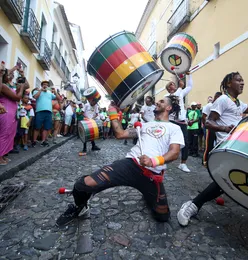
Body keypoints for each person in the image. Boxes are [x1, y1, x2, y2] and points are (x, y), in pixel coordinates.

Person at [56, 96, 184, 226]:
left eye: (162, 101)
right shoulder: (145, 125)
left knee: (162, 216)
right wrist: (112, 111)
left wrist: (153, 161)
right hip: (130, 165)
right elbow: (120, 134)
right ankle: (80, 207)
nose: (157, 102)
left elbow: (174, 153)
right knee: (83, 184)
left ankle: (147, 194)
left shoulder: (174, 128)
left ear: (169, 107)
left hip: (151, 174)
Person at [177, 71, 248, 226]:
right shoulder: (223, 99)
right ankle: (192, 205)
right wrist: (224, 128)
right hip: (225, 148)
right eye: (238, 80)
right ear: (229, 83)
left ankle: (197, 203)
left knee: (230, 181)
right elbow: (208, 122)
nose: (242, 83)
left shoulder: (238, 103)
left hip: (237, 146)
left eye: (243, 80)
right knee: (226, 182)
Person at [165, 74, 193, 173]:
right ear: (169, 88)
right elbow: (174, 97)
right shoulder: (167, 96)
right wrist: (180, 87)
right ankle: (164, 160)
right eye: (172, 84)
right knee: (169, 142)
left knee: (185, 142)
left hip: (182, 122)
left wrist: (189, 75)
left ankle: (183, 163)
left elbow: (189, 87)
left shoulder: (180, 93)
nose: (174, 85)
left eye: (174, 84)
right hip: (172, 122)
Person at [0, 69, 28, 165]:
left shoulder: (11, 86)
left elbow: (26, 86)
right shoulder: (3, 86)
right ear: (4, 76)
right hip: (6, 111)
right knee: (4, 134)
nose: (12, 75)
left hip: (13, 112)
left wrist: (22, 75)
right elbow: (17, 97)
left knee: (10, 134)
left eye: (12, 74)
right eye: (9, 74)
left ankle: (3, 155)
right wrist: (21, 89)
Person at [32, 81, 60, 147]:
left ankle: (43, 141)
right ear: (41, 85)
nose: (45, 86)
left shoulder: (49, 93)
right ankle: (34, 141)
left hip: (49, 112)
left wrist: (55, 91)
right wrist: (41, 90)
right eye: (44, 84)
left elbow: (59, 99)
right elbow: (35, 97)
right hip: (40, 111)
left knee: (46, 128)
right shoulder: (37, 91)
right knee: (37, 127)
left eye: (47, 85)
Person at [202, 92, 222, 166]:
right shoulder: (209, 106)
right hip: (210, 128)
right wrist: (206, 125)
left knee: (218, 145)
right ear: (216, 97)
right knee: (209, 146)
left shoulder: (220, 106)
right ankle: (205, 161)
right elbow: (203, 116)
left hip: (218, 128)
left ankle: (215, 160)